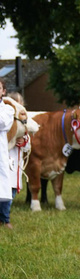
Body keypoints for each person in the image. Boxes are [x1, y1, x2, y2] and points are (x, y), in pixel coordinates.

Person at [0, 92, 31, 229]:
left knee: (10, 191)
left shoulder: (22, 122)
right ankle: (5, 219)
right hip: (5, 158)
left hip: (14, 162)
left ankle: (4, 218)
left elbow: (28, 144)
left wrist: (23, 141)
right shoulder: (6, 118)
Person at [0, 79, 15, 228]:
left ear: (3, 91)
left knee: (3, 187)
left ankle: (5, 219)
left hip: (1, 154)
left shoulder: (8, 110)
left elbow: (3, 123)